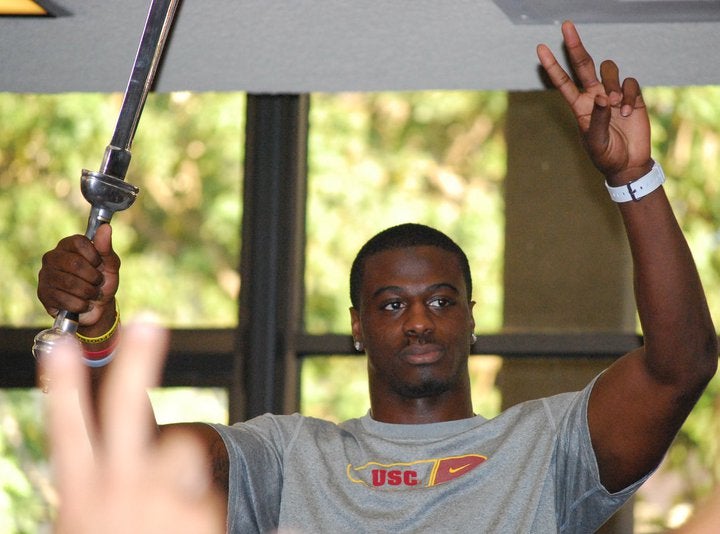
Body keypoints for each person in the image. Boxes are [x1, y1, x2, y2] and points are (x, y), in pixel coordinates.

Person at [37, 21, 717, 533]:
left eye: (441, 300)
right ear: (358, 327)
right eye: (391, 305)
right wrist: (98, 334)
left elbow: (680, 366)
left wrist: (635, 181)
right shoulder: (288, 457)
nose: (419, 319)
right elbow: (151, 461)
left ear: (471, 318)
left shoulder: (545, 447)